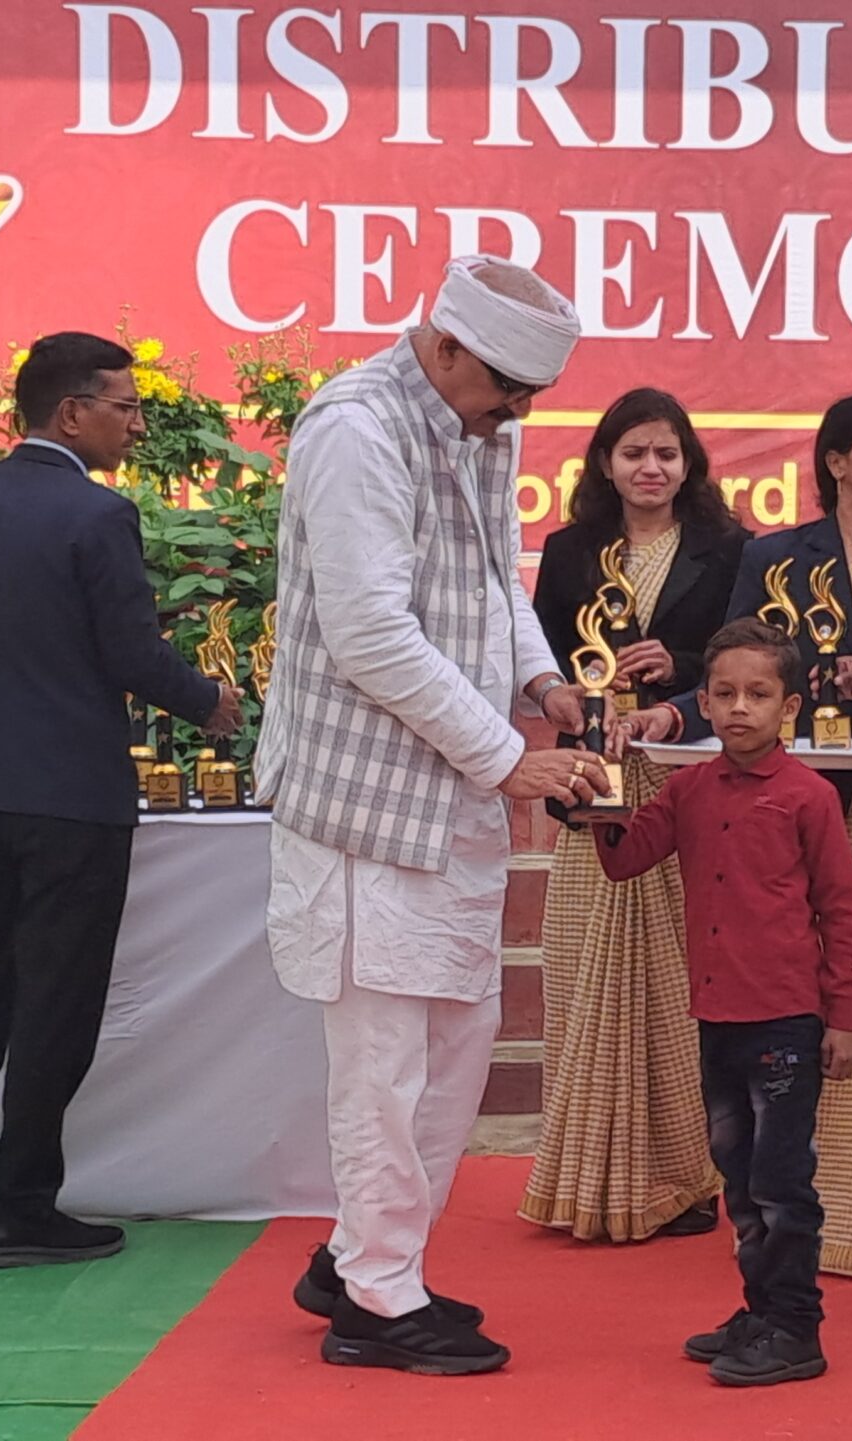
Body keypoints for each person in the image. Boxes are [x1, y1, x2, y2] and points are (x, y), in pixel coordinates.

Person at [259, 256, 599, 1377]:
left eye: (531, 396)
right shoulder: (356, 429)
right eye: (508, 389)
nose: (519, 414)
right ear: (446, 346)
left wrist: (542, 683)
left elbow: (497, 580)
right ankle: (376, 1301)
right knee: (385, 1064)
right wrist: (509, 758)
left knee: (456, 1045)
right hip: (365, 802)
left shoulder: (474, 425)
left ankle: (364, 1257)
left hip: (451, 795)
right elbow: (369, 634)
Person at [0, 332, 243, 1268]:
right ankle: (20, 1206)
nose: (136, 425)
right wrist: (209, 700)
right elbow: (130, 651)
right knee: (56, 999)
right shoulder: (97, 515)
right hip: (76, 794)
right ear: (72, 412)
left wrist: (4, 664)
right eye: (125, 407)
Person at [629, 393, 852, 1278]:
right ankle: (788, 1231)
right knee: (798, 1020)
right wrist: (675, 716)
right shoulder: (774, 556)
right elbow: (735, 667)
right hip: (787, 806)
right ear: (835, 460)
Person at [591, 619, 852, 1389]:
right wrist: (595, 798)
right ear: (703, 702)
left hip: (786, 1017)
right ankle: (761, 1309)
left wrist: (843, 1017)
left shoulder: (809, 796)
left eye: (759, 693)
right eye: (725, 692)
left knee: (782, 1181)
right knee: (738, 1176)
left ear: (790, 705)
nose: (740, 707)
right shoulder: (687, 788)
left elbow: (842, 911)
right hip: (716, 1016)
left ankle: (797, 1327)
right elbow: (626, 858)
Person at [520, 389, 746, 1243]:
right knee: (586, 961)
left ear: (689, 464)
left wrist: (679, 666)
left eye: (666, 454)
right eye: (634, 453)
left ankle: (687, 1174)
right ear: (605, 464)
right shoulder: (570, 549)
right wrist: (576, 695)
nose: (651, 468)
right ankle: (583, 1171)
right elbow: (543, 657)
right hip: (595, 774)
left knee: (681, 974)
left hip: (688, 772)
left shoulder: (729, 547)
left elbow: (750, 658)